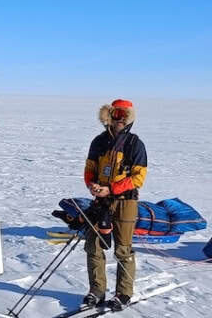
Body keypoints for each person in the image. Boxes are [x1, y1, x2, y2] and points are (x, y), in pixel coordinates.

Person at [81, 99, 147, 312]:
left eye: (122, 115)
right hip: (101, 201)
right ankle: (97, 290)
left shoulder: (135, 144)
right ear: (108, 116)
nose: (117, 119)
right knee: (94, 246)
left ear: (128, 119)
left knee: (123, 249)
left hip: (125, 203)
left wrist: (112, 189)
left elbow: (138, 178)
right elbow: (89, 169)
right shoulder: (98, 142)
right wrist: (91, 185)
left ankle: (123, 292)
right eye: (114, 114)